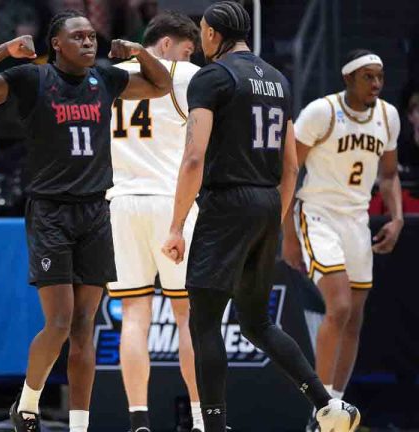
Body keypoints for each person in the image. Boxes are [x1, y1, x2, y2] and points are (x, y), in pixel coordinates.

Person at [0, 9, 172, 432]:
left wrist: (140, 51)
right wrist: (1, 52)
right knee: (61, 322)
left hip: (95, 211)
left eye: (92, 36)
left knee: (85, 327)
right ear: (57, 45)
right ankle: (28, 402)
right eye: (79, 37)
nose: (89, 42)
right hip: (51, 211)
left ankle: (79, 426)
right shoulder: (33, 80)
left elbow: (162, 85)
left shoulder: (105, 79)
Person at [160, 2, 360, 432]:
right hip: (268, 202)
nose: (202, 40)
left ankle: (214, 427)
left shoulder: (212, 76)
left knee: (205, 319)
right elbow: (291, 164)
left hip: (226, 204)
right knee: (257, 321)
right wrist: (275, 213)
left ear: (213, 33)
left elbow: (194, 158)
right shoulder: (279, 79)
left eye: (203, 32)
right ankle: (328, 406)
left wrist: (176, 226)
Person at [281, 49, 402, 431]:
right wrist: (286, 235)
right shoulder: (321, 112)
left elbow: (389, 175)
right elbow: (288, 169)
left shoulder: (388, 116)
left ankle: (334, 405)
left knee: (354, 318)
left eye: (380, 76)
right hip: (316, 214)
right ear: (348, 78)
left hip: (356, 220)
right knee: (339, 306)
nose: (377, 84)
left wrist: (397, 218)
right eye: (368, 76)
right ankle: (321, 408)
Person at [105, 11, 202, 432]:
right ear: (166, 45)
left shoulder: (108, 76)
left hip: (122, 201)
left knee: (133, 315)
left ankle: (138, 420)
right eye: (187, 48)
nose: (189, 56)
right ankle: (202, 419)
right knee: (188, 317)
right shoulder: (186, 74)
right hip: (171, 203)